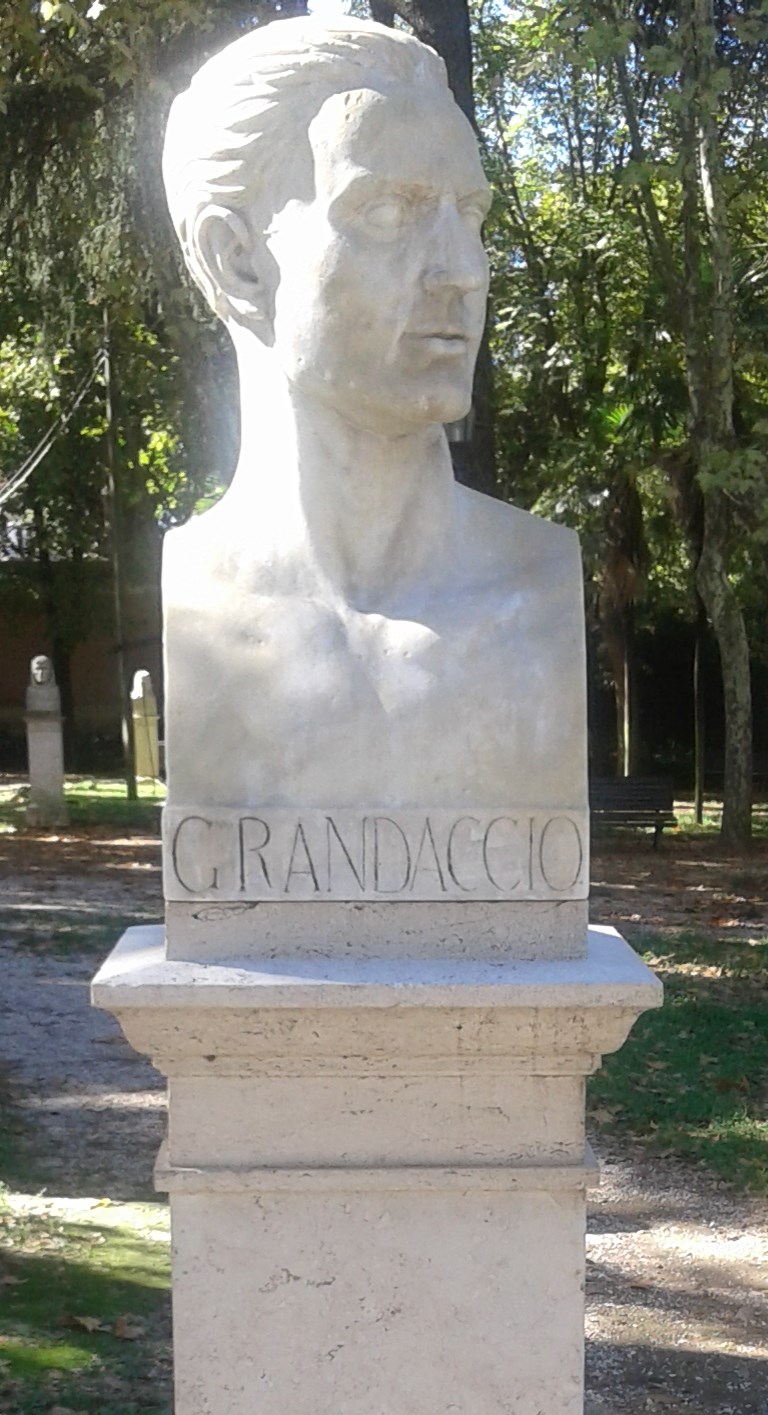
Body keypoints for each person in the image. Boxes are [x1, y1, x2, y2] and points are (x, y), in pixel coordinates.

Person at [161, 17, 585, 824]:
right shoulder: (201, 602)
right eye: (391, 212)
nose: (462, 271)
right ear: (239, 262)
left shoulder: (537, 588)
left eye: (474, 217)